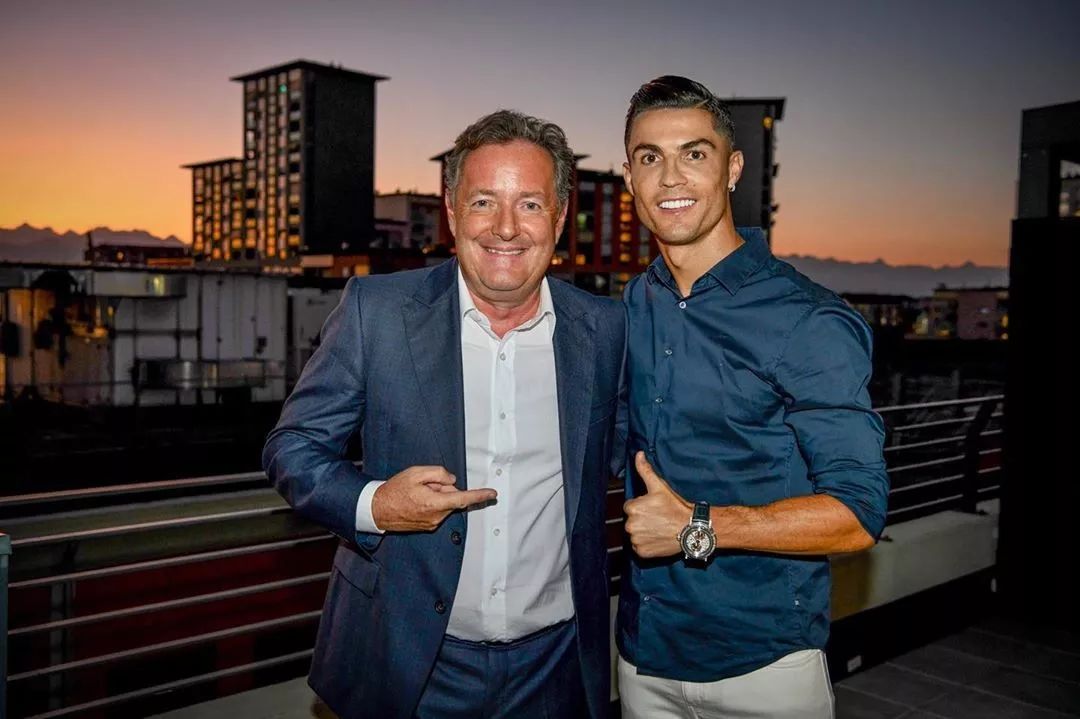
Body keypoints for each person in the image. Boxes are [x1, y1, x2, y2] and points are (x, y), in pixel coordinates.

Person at [263, 109, 625, 719]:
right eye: (484, 202)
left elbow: (634, 450)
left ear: (560, 218)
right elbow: (291, 447)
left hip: (556, 667)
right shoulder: (376, 311)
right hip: (407, 661)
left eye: (530, 204)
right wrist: (375, 505)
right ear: (453, 214)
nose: (506, 227)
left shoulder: (607, 328)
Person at [615, 75, 889, 719]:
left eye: (695, 153)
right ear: (630, 178)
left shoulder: (808, 320)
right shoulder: (633, 304)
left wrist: (699, 527)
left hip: (763, 669)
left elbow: (858, 514)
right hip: (643, 657)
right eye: (650, 157)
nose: (671, 177)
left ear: (733, 169)